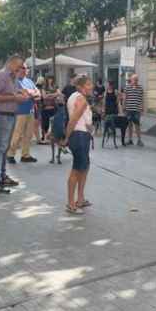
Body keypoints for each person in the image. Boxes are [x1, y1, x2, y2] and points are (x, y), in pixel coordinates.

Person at [0, 55, 29, 194]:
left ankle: (2, 175)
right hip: (3, 116)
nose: (20, 69)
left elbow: (15, 90)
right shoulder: (1, 75)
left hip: (11, 115)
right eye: (19, 66)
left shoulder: (13, 77)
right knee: (0, 148)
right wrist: (14, 97)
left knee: (5, 148)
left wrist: (22, 93)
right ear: (11, 63)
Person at [64, 75, 94, 214]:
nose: (91, 86)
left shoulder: (73, 96)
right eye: (88, 84)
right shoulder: (81, 99)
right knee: (77, 170)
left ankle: (80, 199)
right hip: (79, 136)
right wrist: (66, 137)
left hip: (81, 135)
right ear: (81, 87)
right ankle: (71, 203)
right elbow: (73, 120)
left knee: (84, 166)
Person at [7, 64, 39, 164]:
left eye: (26, 68)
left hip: (30, 110)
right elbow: (24, 93)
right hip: (20, 111)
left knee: (28, 135)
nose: (24, 70)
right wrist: (31, 93)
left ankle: (25, 155)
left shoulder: (29, 81)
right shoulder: (15, 81)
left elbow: (38, 93)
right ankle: (10, 154)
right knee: (17, 134)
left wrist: (32, 93)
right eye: (22, 68)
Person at [124, 74, 145, 146]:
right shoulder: (127, 87)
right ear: (131, 80)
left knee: (137, 125)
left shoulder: (140, 88)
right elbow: (125, 98)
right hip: (129, 109)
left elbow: (142, 99)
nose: (135, 81)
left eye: (137, 79)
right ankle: (130, 139)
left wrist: (142, 107)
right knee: (129, 125)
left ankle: (139, 140)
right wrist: (124, 107)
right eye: (134, 79)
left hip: (137, 110)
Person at [41, 76, 63, 145]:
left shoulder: (55, 86)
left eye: (51, 79)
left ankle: (53, 138)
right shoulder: (44, 87)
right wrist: (54, 95)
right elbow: (44, 96)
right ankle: (45, 137)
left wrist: (49, 95)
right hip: (45, 108)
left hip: (54, 107)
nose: (50, 80)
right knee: (45, 123)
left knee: (54, 123)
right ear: (46, 80)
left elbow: (59, 93)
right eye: (49, 79)